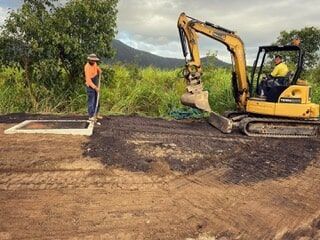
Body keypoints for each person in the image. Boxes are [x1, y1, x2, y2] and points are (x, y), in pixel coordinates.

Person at [84, 53, 102, 121]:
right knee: (91, 101)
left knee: (97, 99)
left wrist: (99, 70)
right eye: (92, 60)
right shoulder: (87, 67)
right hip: (90, 86)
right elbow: (88, 80)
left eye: (95, 60)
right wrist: (95, 88)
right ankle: (91, 116)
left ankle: (96, 114)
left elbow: (96, 68)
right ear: (89, 60)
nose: (94, 61)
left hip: (95, 82)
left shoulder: (94, 64)